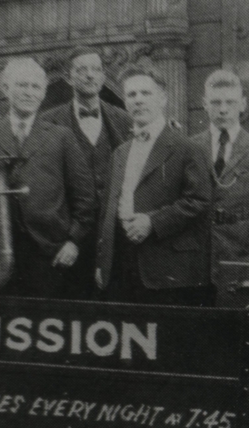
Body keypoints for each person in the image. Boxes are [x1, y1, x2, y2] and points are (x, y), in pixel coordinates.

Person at [0, 57, 95, 298]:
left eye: (35, 87)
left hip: (50, 251)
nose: (29, 93)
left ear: (43, 93)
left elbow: (86, 198)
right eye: (22, 85)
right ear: (6, 89)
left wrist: (73, 241)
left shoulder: (62, 136)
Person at [95, 64, 211, 306]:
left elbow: (199, 201)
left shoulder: (187, 149)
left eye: (145, 93)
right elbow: (108, 209)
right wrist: (102, 261)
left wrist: (152, 222)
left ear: (162, 99)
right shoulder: (120, 152)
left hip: (167, 270)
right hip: (121, 265)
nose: (138, 100)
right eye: (131, 95)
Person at [42, 46, 132, 298]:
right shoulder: (48, 122)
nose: (90, 76)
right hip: (69, 238)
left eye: (96, 70)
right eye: (82, 70)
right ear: (69, 78)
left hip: (116, 236)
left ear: (104, 77)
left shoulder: (124, 120)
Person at [189, 69, 249, 282]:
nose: (223, 109)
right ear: (205, 104)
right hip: (197, 251)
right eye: (215, 102)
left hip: (239, 251)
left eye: (230, 102)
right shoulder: (191, 147)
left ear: (242, 104)